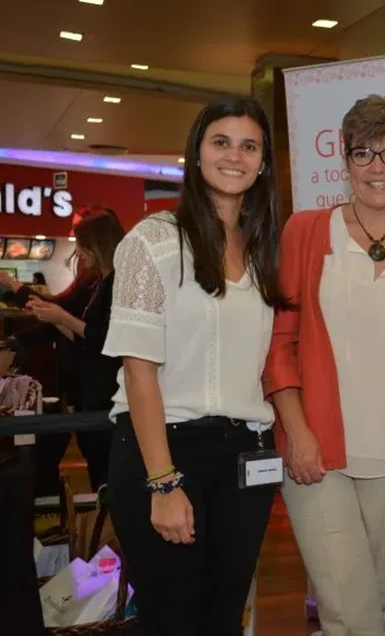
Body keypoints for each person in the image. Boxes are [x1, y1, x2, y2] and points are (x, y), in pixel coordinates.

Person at [263, 94, 385, 635]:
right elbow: (280, 342)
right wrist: (296, 432)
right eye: (364, 152)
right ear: (344, 160)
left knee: (380, 607)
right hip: (319, 454)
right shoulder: (304, 231)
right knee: (348, 611)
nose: (377, 167)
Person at [103, 96, 288, 635]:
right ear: (197, 153)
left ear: (263, 162)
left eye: (249, 145)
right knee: (172, 620)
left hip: (245, 454)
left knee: (224, 619)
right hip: (162, 450)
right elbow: (139, 373)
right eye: (221, 142)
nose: (235, 156)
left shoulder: (261, 250)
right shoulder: (154, 241)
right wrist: (163, 483)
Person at [25, 211, 126, 491]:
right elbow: (87, 338)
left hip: (105, 393)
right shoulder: (104, 282)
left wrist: (62, 318)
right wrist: (56, 319)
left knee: (105, 473)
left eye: (81, 244)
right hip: (94, 392)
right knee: (98, 470)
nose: (78, 252)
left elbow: (104, 338)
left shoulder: (115, 283)